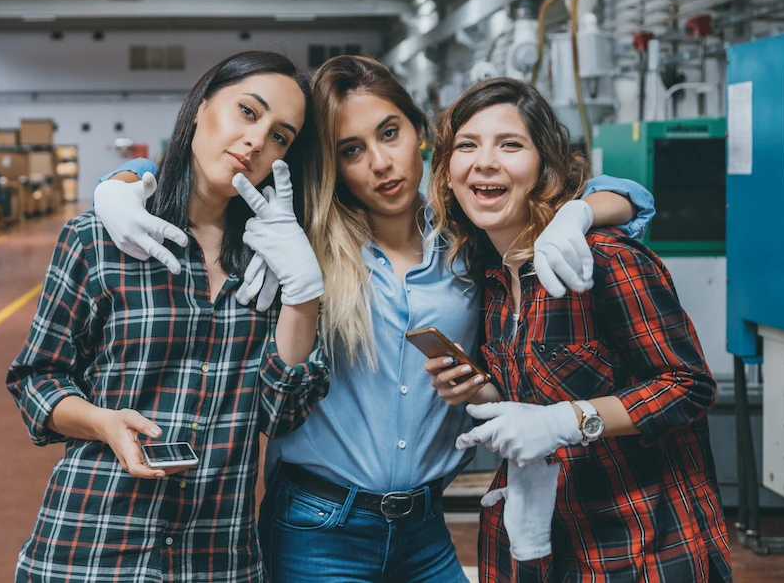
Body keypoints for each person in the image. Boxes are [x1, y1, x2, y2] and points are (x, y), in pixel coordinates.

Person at [94, 56, 655, 582]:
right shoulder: (297, 239)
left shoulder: (469, 236)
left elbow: (630, 198)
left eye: (390, 133)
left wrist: (576, 214)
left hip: (425, 527)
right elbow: (198, 179)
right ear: (330, 165)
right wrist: (120, 183)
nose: (381, 163)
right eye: (351, 150)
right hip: (319, 528)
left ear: (421, 132)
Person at [5, 51, 330, 583]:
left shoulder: (275, 265)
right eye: (248, 112)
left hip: (216, 556)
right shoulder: (100, 238)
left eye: (280, 136)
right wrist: (104, 422)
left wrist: (303, 294)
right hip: (91, 546)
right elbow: (35, 381)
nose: (257, 141)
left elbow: (281, 416)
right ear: (201, 107)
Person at [426, 77, 732, 582]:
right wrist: (481, 388)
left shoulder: (603, 257)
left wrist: (567, 422)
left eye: (510, 144)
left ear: (545, 166)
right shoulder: (490, 277)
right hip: (533, 543)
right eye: (466, 145)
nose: (484, 161)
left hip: (639, 547)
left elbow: (689, 387)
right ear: (448, 172)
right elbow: (535, 393)